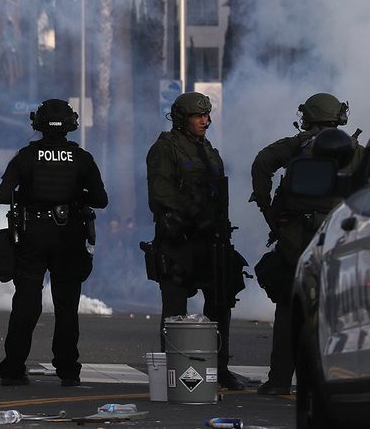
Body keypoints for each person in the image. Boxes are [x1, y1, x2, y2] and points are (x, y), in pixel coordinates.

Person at [249, 93, 366, 395]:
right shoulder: (354, 150)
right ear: (338, 117)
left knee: (289, 309)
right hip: (338, 240)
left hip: (295, 239)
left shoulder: (297, 145)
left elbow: (262, 163)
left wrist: (268, 211)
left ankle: (278, 382)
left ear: (309, 117)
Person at [0, 99, 108, 387]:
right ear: (71, 124)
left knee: (26, 305)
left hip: (33, 236)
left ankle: (13, 368)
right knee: (66, 308)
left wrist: (30, 198)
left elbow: (2, 195)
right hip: (68, 236)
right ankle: (69, 371)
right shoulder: (81, 158)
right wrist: (73, 197)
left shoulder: (26, 157)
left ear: (38, 124)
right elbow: (100, 200)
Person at [144, 91, 248, 392]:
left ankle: (220, 368)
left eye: (206, 115)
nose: (205, 120)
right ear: (182, 118)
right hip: (179, 241)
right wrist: (192, 214)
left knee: (220, 302)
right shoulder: (166, 149)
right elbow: (160, 194)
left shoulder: (207, 150)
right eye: (197, 116)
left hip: (211, 240)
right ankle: (171, 371)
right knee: (174, 309)